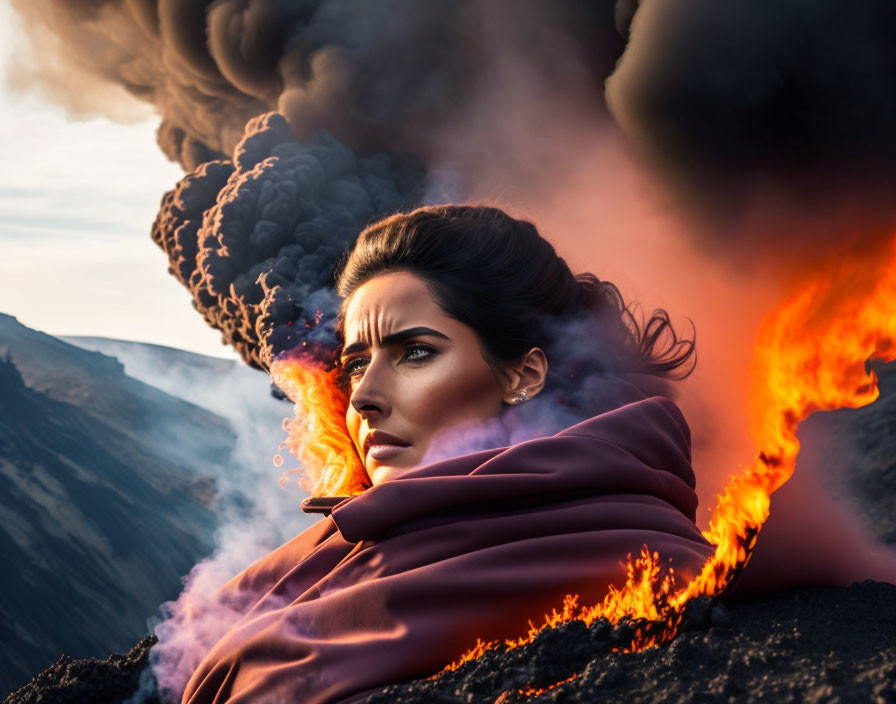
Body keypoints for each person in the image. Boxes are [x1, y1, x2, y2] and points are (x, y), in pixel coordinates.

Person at [177, 205, 714, 704]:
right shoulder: (330, 553)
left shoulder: (631, 562)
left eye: (415, 352)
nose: (363, 397)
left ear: (521, 375)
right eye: (356, 364)